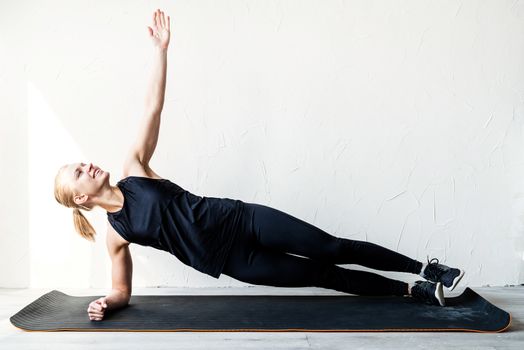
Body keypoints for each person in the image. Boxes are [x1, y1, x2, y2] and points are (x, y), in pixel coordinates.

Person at [54, 9, 465, 322]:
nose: (86, 165)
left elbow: (152, 107)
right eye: (77, 172)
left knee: (331, 247)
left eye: (80, 163)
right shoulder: (114, 236)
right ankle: (414, 291)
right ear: (80, 198)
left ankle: (426, 268)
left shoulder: (134, 168)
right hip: (234, 262)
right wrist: (107, 302)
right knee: (324, 275)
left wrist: (161, 53)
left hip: (241, 219)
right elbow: (122, 289)